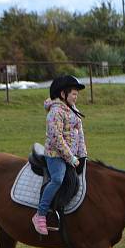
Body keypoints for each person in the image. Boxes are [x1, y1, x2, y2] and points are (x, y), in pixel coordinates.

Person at [31, 74, 87, 235]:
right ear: (63, 94)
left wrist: (83, 155)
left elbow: (79, 134)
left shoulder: (73, 110)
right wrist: (70, 157)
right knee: (58, 178)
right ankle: (40, 214)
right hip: (55, 155)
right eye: (74, 94)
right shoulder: (55, 112)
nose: (76, 97)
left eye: (77, 94)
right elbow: (56, 138)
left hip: (71, 155)